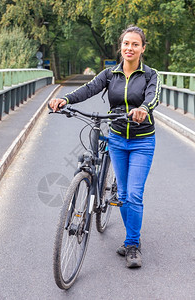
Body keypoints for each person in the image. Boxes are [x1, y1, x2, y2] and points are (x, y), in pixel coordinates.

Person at [49, 25, 161, 268]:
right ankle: (128, 234)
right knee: (121, 194)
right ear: (120, 47)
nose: (129, 48)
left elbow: (153, 97)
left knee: (133, 194)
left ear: (143, 48)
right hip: (118, 139)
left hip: (142, 141)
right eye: (126, 44)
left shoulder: (151, 75)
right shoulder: (110, 74)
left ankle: (132, 244)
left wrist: (143, 109)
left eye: (135, 44)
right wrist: (65, 99)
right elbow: (88, 89)